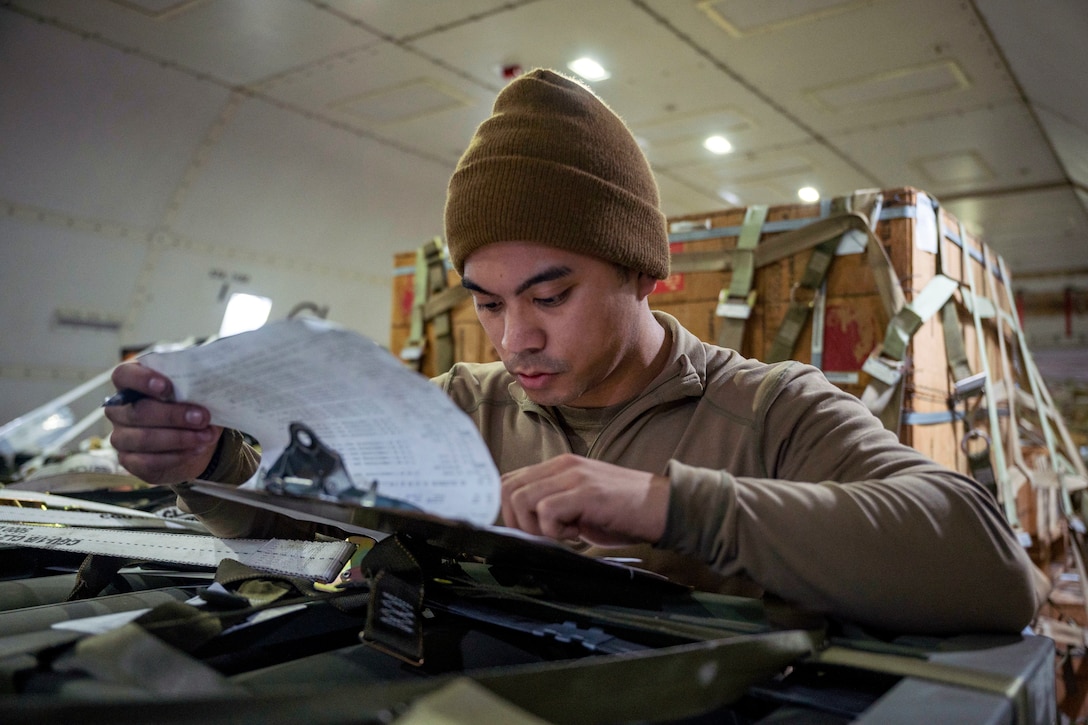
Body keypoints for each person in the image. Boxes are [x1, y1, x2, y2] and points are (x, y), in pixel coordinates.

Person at [107, 68, 1038, 635]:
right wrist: (210, 463)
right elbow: (310, 532)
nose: (517, 339)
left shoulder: (770, 410)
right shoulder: (461, 408)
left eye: (550, 295)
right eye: (489, 302)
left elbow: (989, 569)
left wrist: (672, 507)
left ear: (643, 274)